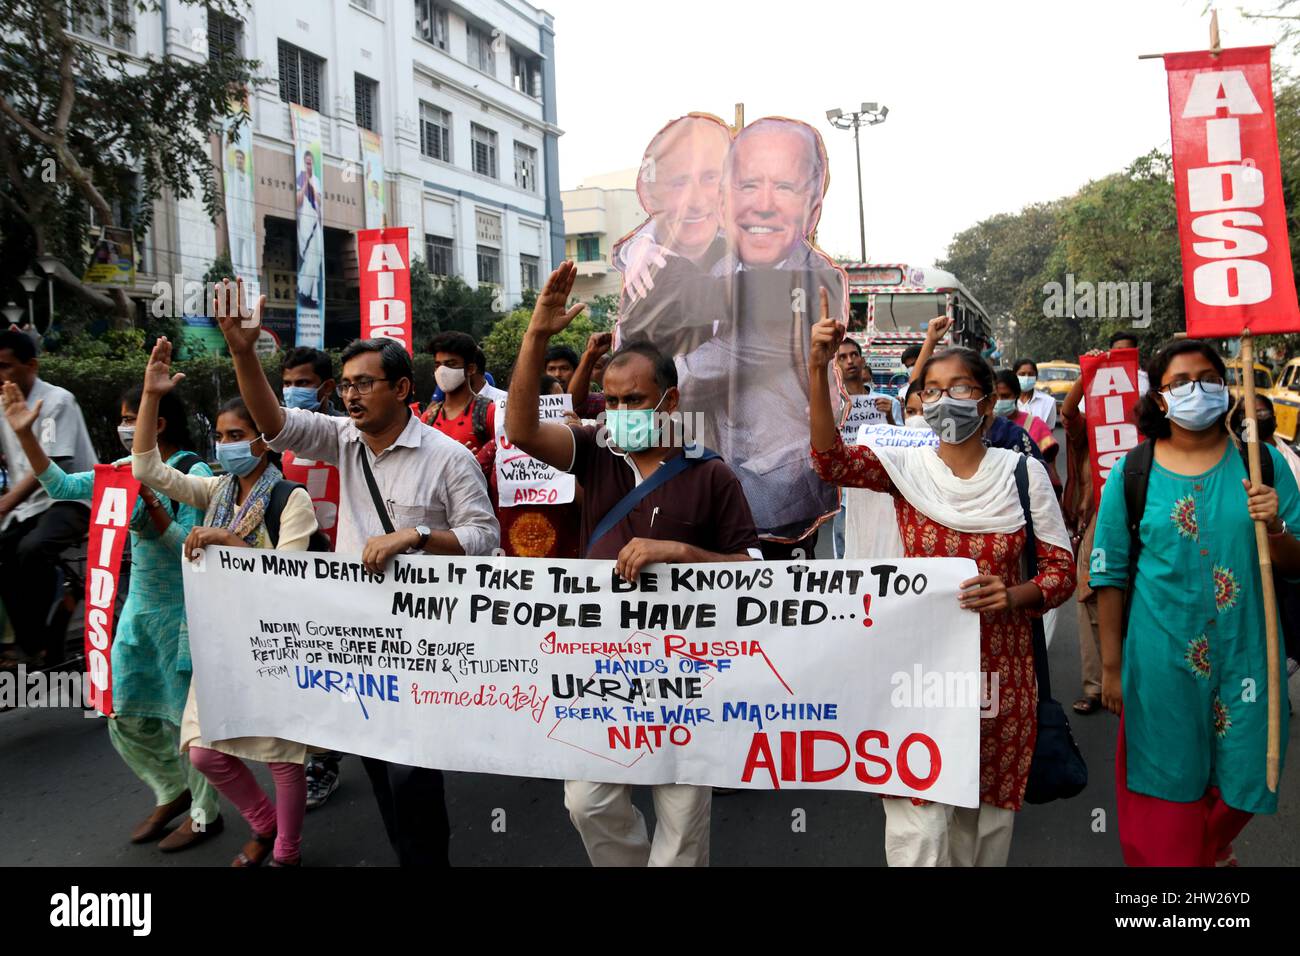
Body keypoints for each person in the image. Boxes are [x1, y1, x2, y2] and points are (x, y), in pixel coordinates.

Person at [213, 277, 498, 867]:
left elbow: (484, 539)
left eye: (364, 383)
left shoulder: (450, 458)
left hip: (426, 639)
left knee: (411, 774)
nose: (350, 396)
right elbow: (275, 425)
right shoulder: (343, 439)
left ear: (401, 387)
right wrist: (243, 352)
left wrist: (416, 536)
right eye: (344, 385)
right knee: (377, 766)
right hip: (360, 639)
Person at [506, 262, 762, 867]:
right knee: (588, 802)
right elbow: (519, 429)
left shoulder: (711, 473)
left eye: (633, 400)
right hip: (601, 666)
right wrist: (536, 336)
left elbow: (751, 568)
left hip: (685, 670)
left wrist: (682, 554)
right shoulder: (595, 451)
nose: (618, 411)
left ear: (669, 400)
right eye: (611, 400)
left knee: (681, 822)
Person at [808, 293, 1075, 866]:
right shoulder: (904, 468)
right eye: (930, 390)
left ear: (986, 403)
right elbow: (831, 462)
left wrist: (1015, 595)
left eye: (957, 388)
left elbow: (1060, 574)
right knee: (921, 834)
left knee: (981, 834)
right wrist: (816, 370)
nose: (941, 400)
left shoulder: (1023, 474)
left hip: (1001, 680)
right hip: (917, 676)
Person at [1092, 339, 1300, 867]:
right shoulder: (1131, 472)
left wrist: (1274, 525)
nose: (1196, 389)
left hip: (1248, 652)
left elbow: (1297, 562)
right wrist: (1111, 668)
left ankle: (1206, 851)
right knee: (1166, 784)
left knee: (1251, 773)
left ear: (1226, 388)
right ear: (1160, 398)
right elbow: (1110, 574)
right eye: (1180, 381)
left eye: (1208, 377)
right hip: (1160, 656)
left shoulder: (1266, 467)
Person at [1, 380, 223, 851]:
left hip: (182, 614)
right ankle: (172, 790)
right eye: (123, 420)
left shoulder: (192, 470)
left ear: (157, 423)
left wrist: (151, 513)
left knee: (186, 721)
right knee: (119, 708)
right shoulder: (122, 470)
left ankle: (206, 812)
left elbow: (190, 546)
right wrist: (26, 437)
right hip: (138, 611)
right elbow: (62, 486)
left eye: (130, 418)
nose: (125, 428)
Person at [131, 337, 319, 866]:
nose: (225, 445)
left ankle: (285, 850)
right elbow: (147, 469)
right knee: (203, 751)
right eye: (219, 436)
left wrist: (227, 542)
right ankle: (264, 825)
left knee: (283, 759)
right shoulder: (216, 490)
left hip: (274, 646)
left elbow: (290, 578)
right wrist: (150, 395)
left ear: (263, 442)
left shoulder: (290, 498)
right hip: (221, 645)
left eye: (236, 436)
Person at [666, 118, 847, 553]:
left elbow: (695, 371)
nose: (763, 205)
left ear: (812, 207)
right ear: (725, 201)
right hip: (711, 498)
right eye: (749, 186)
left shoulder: (816, 286)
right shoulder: (714, 273)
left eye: (784, 187)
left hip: (784, 497)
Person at [0, 330, 97, 667]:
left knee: (32, 549)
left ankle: (36, 641)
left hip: (70, 499)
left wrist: (5, 503)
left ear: (31, 365)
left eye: (5, 366)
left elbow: (53, 464)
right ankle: (21, 641)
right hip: (30, 506)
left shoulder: (56, 402)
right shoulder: (3, 402)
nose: (1, 375)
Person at [278, 346, 346, 809]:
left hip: (347, 567)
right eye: (287, 382)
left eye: (302, 383)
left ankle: (337, 754)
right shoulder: (274, 436)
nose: (292, 391)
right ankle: (318, 760)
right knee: (309, 667)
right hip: (297, 566)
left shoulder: (349, 433)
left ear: (325, 388)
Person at [615, 114, 733, 351]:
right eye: (679, 183)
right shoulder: (648, 265)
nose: (696, 200)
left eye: (709, 177)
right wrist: (639, 245)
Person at [476, 374, 581, 559]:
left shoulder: (575, 446)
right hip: (509, 561)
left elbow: (588, 500)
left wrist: (578, 444)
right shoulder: (496, 449)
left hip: (563, 560)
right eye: (558, 401)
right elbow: (473, 493)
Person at [421, 331, 497, 454]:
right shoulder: (428, 418)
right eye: (438, 365)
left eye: (451, 364)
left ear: (471, 369)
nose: (442, 371)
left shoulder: (489, 413)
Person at [296, 149, 324, 308]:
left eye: (310, 163)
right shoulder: (300, 177)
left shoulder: (316, 180)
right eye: (306, 163)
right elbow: (298, 200)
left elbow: (319, 201)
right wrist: (306, 182)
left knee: (316, 258)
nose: (308, 166)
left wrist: (312, 184)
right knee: (309, 257)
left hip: (315, 222)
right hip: (305, 222)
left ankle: (310, 293)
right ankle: (303, 289)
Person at [569, 332, 612, 418]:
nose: (590, 371)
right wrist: (590, 355)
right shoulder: (598, 401)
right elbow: (574, 403)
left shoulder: (609, 400)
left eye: (596, 366)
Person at [1012, 359, 1058, 430]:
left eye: (1030, 374)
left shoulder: (1048, 402)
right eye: (1022, 374)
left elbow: (1049, 433)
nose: (1026, 377)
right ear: (1014, 376)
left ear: (1036, 377)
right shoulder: (1007, 401)